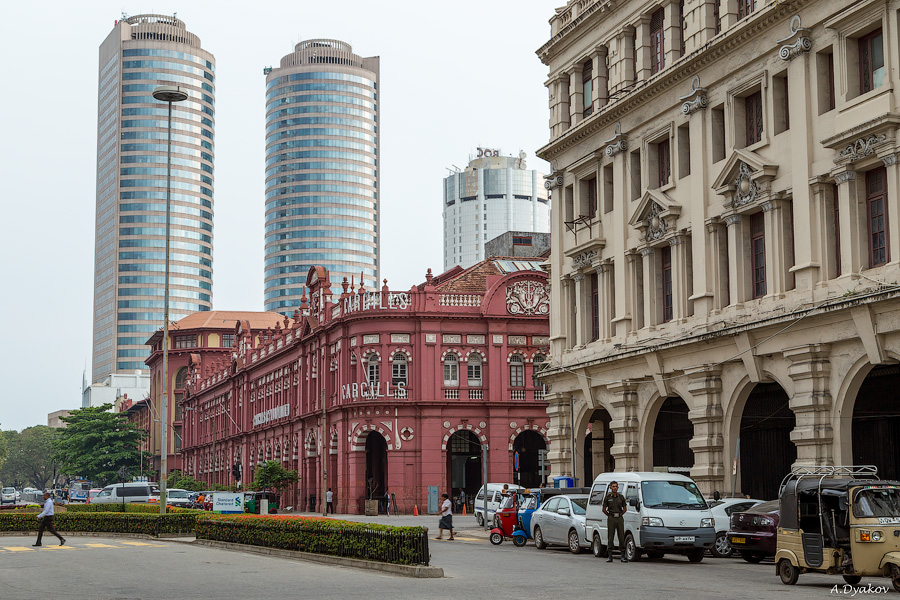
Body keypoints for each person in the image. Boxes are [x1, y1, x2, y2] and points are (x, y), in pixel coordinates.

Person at [602, 481, 628, 563]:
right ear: (610, 488)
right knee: (610, 536)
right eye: (613, 486)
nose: (615, 488)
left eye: (616, 486)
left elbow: (625, 508)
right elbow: (604, 509)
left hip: (619, 518)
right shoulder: (608, 497)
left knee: (621, 536)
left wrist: (620, 514)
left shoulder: (621, 497)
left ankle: (623, 556)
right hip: (611, 518)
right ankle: (610, 556)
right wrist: (610, 515)